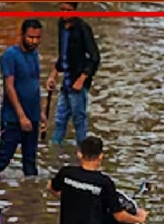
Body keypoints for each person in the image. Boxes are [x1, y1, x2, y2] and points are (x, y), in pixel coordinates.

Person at [0, 19, 44, 178]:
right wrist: (21, 116)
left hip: (33, 114)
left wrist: (41, 111)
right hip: (13, 117)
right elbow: (9, 87)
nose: (34, 41)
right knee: (4, 157)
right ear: (22, 35)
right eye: (30, 37)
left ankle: (30, 190)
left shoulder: (35, 55)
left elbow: (36, 83)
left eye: (37, 38)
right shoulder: (10, 56)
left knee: (30, 161)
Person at [44, 2, 100, 146]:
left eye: (68, 10)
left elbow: (94, 57)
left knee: (79, 120)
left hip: (77, 81)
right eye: (62, 9)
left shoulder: (83, 28)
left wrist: (82, 79)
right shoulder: (61, 25)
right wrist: (53, 74)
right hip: (67, 80)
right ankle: (54, 147)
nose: (64, 13)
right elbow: (63, 54)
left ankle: (83, 150)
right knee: (60, 118)